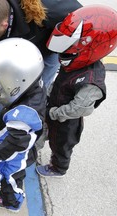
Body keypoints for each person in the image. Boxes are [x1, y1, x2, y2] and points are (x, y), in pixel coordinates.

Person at [0, 0, 82, 135]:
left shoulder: (52, 10)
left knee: (37, 90)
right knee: (1, 86)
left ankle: (28, 124)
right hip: (13, 50)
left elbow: (82, 18)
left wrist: (64, 46)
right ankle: (2, 120)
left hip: (46, 53)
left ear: (4, 24)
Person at [36, 5, 117, 177]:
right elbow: (58, 81)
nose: (65, 51)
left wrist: (55, 113)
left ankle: (58, 168)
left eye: (70, 45)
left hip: (67, 122)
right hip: (55, 108)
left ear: (91, 44)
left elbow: (80, 108)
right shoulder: (74, 63)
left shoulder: (91, 80)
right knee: (47, 133)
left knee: (62, 146)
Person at [0, 38, 47, 212]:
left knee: (10, 177)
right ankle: (0, 176)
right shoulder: (33, 89)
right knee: (2, 169)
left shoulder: (24, 116)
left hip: (14, 156)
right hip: (9, 147)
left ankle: (12, 201)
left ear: (16, 80)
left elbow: (15, 143)